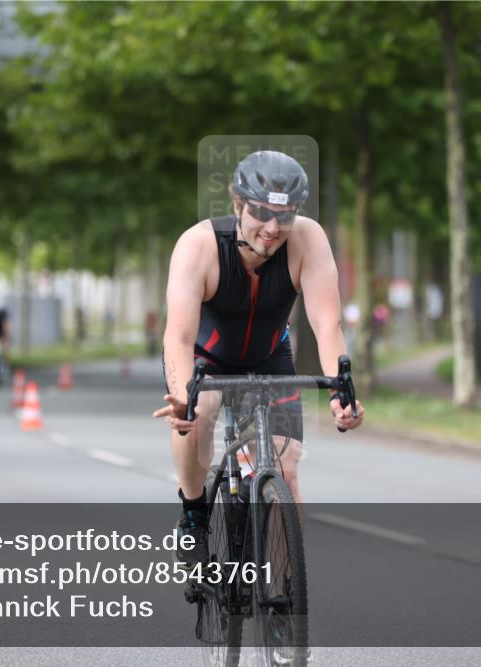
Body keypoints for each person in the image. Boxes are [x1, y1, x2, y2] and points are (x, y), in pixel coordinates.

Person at [153, 150, 365, 565]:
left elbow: (327, 326)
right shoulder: (199, 246)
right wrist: (182, 396)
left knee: (285, 472)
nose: (272, 229)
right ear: (237, 204)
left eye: (283, 218)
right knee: (200, 413)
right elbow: (177, 335)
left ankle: (283, 602)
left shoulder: (308, 240)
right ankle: (194, 512)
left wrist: (341, 391)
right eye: (261, 214)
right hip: (204, 359)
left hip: (269, 357)